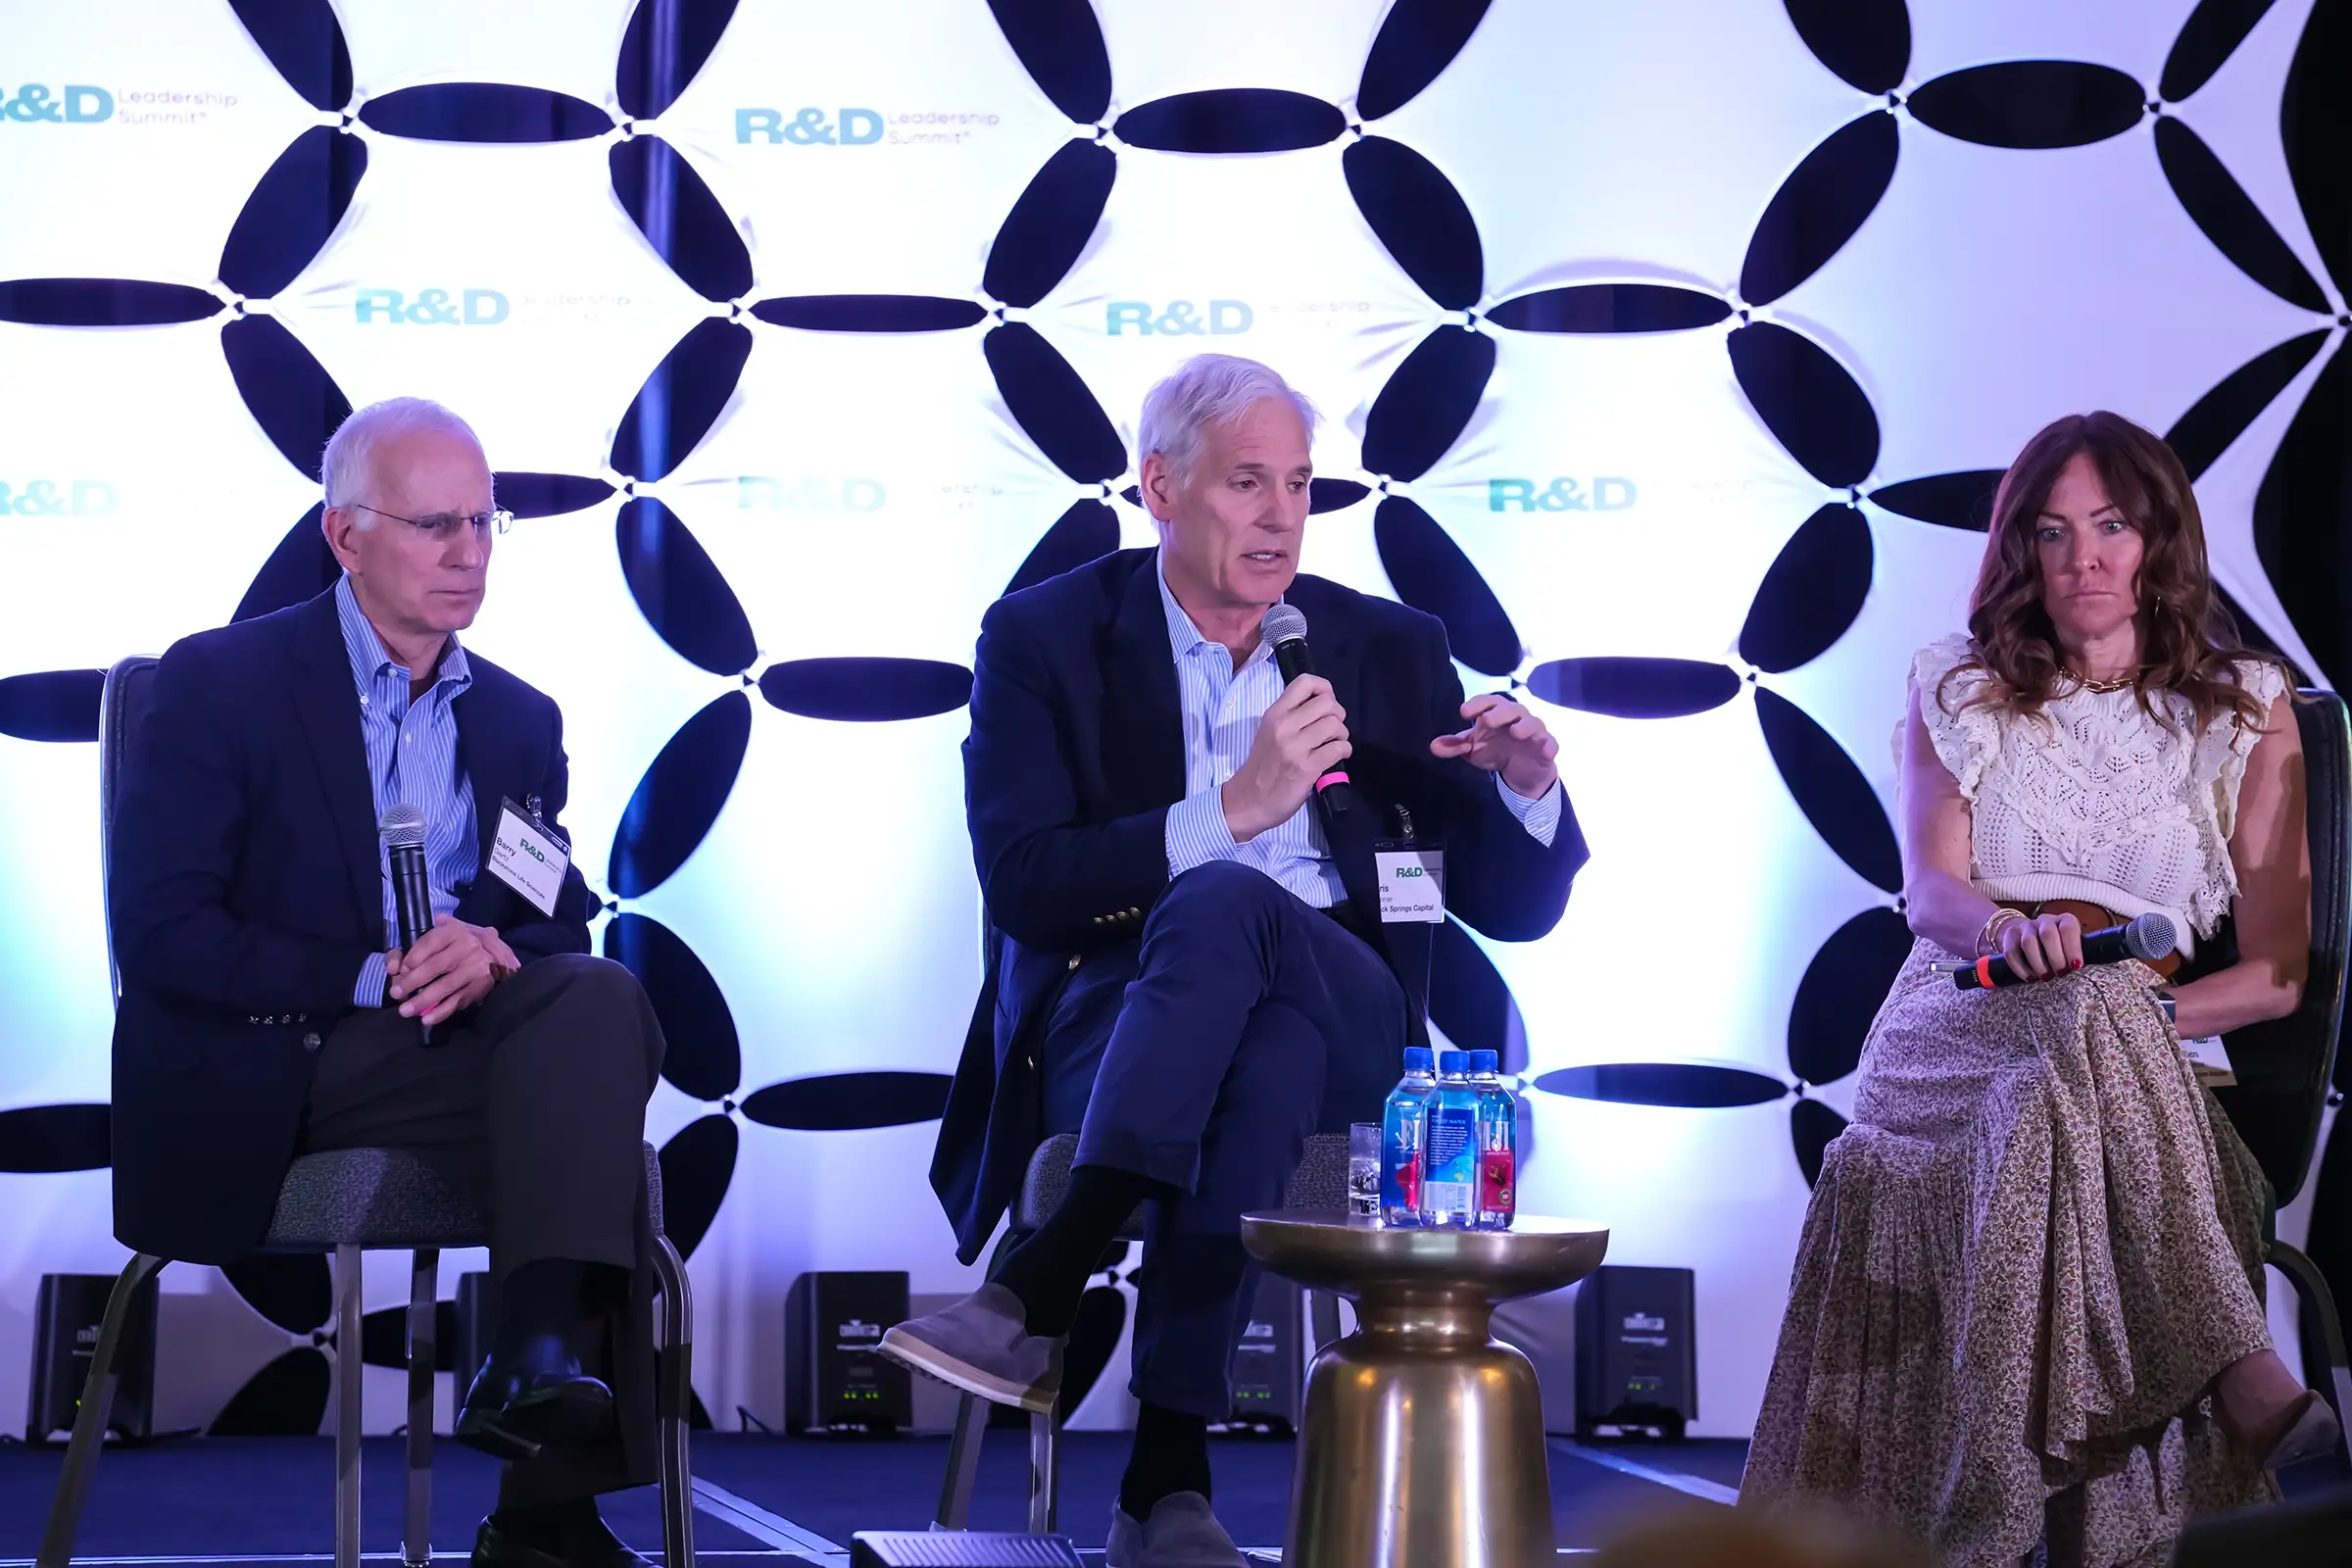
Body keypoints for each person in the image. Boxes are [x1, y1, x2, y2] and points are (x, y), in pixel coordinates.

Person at [887, 354, 1587, 1565]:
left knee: (1237, 919)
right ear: (1160, 487)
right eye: (1247, 482)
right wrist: (1234, 807)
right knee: (1261, 1051)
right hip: (1121, 1018)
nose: (1280, 518)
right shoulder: (1045, 638)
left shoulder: (1386, 646)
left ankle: (1045, 1276)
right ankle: (1167, 1480)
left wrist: (1529, 785)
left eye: (1300, 486)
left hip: (1355, 1014)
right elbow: (1027, 885)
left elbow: (1514, 909)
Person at [1741, 412, 2339, 1565]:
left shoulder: (2246, 707)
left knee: (2088, 1022)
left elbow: (2275, 977)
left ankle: (2024, 1519)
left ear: (2160, 540)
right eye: (2053, 532)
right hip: (1956, 1011)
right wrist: (2014, 933)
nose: (2083, 559)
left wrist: (2129, 1018)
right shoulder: (1959, 686)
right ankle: (2240, 1366)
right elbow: (1933, 893)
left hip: (2144, 1043)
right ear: (2021, 549)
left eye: (2111, 526)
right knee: (2072, 1014)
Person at [109, 398, 667, 1568]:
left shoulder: (518, 715)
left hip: (458, 1051)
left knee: (596, 1000)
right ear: (346, 535)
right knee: (589, 1117)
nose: (469, 552)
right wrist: (377, 974)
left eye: (483, 522)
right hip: (287, 1056)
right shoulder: (218, 682)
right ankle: (546, 1508)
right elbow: (164, 935)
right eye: (434, 525)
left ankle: (532, 1361)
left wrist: (490, 945)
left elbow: (553, 907)